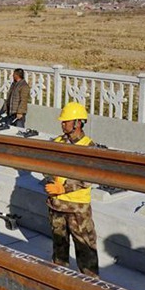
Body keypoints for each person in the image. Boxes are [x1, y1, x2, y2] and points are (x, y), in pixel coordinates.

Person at [45, 102, 100, 277]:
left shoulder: (88, 146)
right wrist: (49, 179)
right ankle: (60, 283)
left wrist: (63, 188)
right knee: (59, 250)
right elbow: (45, 165)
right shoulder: (57, 142)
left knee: (86, 251)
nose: (62, 124)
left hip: (77, 209)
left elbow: (87, 177)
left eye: (66, 121)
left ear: (77, 123)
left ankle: (92, 289)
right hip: (57, 206)